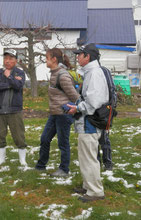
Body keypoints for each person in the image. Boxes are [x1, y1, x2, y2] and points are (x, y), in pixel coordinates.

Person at [67, 43, 107, 202]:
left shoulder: (94, 74)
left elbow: (93, 102)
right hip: (89, 121)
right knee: (86, 157)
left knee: (89, 158)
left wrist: (76, 108)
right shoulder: (91, 72)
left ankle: (95, 192)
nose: (77, 57)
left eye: (80, 54)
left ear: (87, 57)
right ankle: (88, 186)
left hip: (90, 122)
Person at [34, 48, 80, 177]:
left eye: (47, 58)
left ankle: (64, 169)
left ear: (54, 59)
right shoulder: (54, 73)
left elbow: (75, 96)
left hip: (63, 115)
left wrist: (72, 108)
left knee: (63, 143)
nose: (45, 60)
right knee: (44, 139)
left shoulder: (63, 75)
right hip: (54, 113)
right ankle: (40, 166)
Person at [0, 49, 27, 166]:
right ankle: (0, 159)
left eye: (10, 58)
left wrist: (10, 78)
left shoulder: (20, 73)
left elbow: (18, 86)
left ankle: (22, 160)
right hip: (0, 110)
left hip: (14, 110)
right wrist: (10, 84)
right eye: (5, 58)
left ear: (16, 60)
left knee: (19, 136)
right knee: (0, 136)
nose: (7, 61)